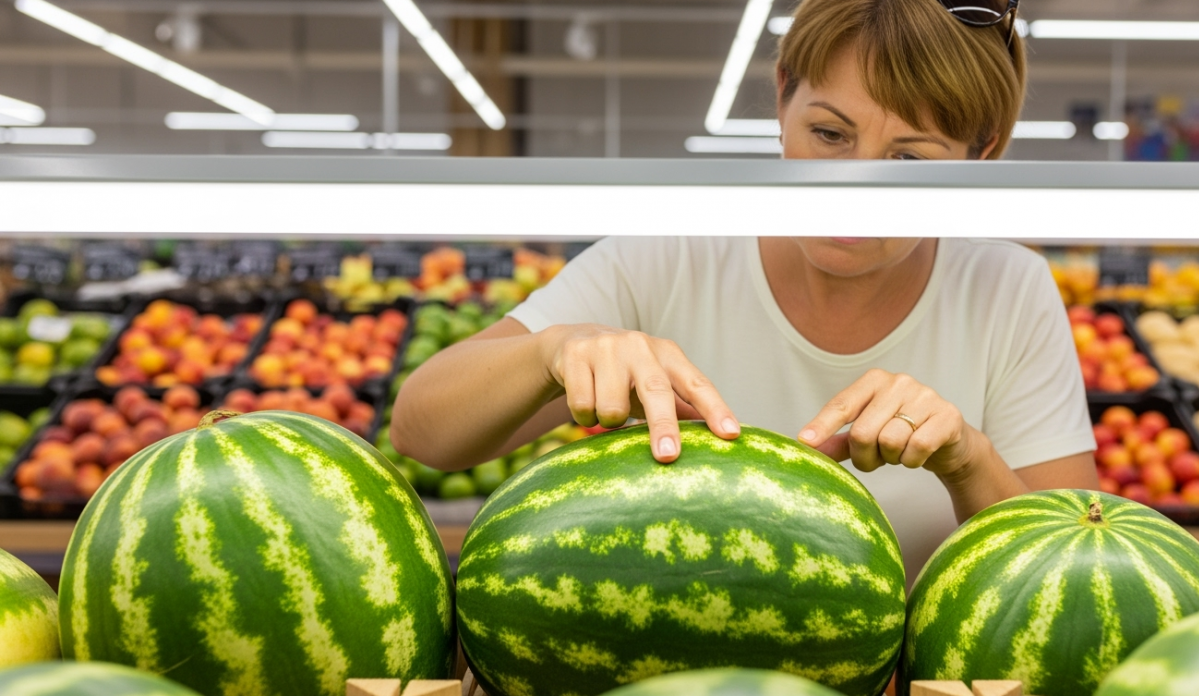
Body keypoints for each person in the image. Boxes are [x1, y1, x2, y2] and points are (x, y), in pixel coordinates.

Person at [392, 0, 1098, 581]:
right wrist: (554, 351)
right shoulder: (669, 254)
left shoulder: (1008, 289)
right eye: (829, 134)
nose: (853, 191)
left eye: (910, 159)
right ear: (783, 96)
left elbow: (1070, 577)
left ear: (981, 155)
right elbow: (421, 432)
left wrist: (968, 459)